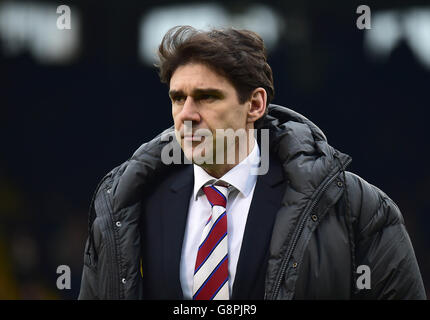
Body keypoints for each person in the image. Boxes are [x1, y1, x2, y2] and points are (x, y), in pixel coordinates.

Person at [78, 25, 426, 300]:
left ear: (255, 105)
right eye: (177, 98)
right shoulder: (128, 205)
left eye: (206, 97)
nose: (186, 115)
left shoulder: (355, 208)